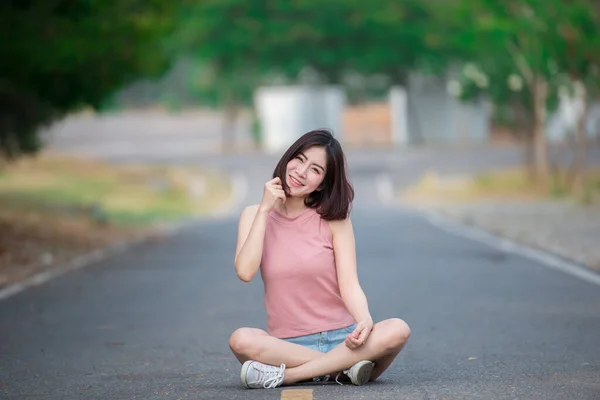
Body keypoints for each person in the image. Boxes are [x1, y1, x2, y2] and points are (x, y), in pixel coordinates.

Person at [229, 129, 410, 389]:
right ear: (288, 158)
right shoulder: (253, 215)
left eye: (315, 169)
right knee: (241, 339)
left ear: (323, 183)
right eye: (299, 159)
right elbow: (245, 272)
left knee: (397, 329)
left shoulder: (334, 220)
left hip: (343, 339)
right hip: (286, 347)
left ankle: (290, 376)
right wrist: (265, 209)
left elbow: (349, 285)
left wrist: (365, 320)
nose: (301, 172)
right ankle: (344, 368)